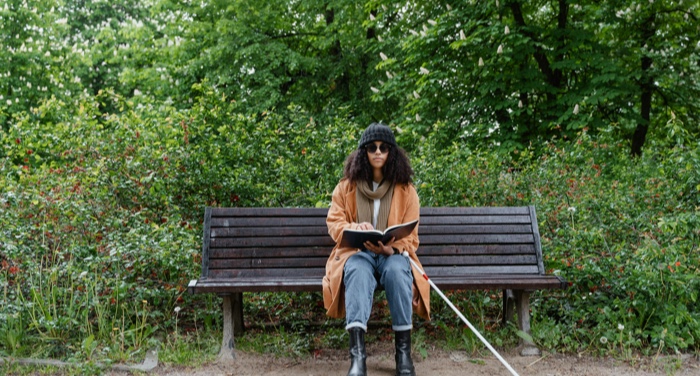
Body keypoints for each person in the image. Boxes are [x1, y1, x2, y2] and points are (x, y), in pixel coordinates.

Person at [323, 122, 431, 376]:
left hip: (391, 254)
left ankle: (403, 356)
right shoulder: (346, 187)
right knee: (357, 272)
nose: (378, 152)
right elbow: (334, 223)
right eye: (372, 147)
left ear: (392, 153)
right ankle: (357, 358)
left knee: (397, 271)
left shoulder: (406, 189)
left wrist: (392, 249)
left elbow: (411, 236)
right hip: (358, 253)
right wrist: (354, 227)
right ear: (364, 152)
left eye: (384, 147)